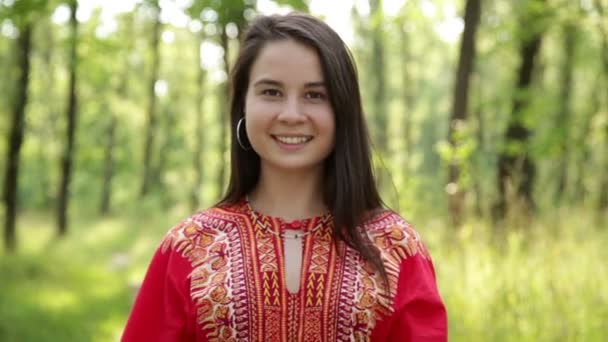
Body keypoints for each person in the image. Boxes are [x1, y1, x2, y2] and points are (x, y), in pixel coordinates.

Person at [122, 12, 447, 342]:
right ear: (243, 106)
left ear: (343, 111)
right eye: (272, 92)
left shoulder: (396, 246)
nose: (291, 115)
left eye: (315, 95)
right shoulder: (190, 246)